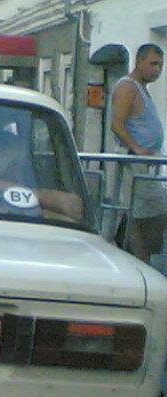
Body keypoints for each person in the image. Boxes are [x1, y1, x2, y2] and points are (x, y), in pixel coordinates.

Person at [111, 43, 167, 262]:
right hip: (135, 161)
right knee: (146, 209)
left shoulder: (142, 89)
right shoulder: (127, 87)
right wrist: (136, 148)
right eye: (153, 64)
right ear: (139, 61)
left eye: (160, 65)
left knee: (141, 212)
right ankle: (136, 256)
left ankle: (138, 255)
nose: (157, 70)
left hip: (148, 162)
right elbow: (117, 124)